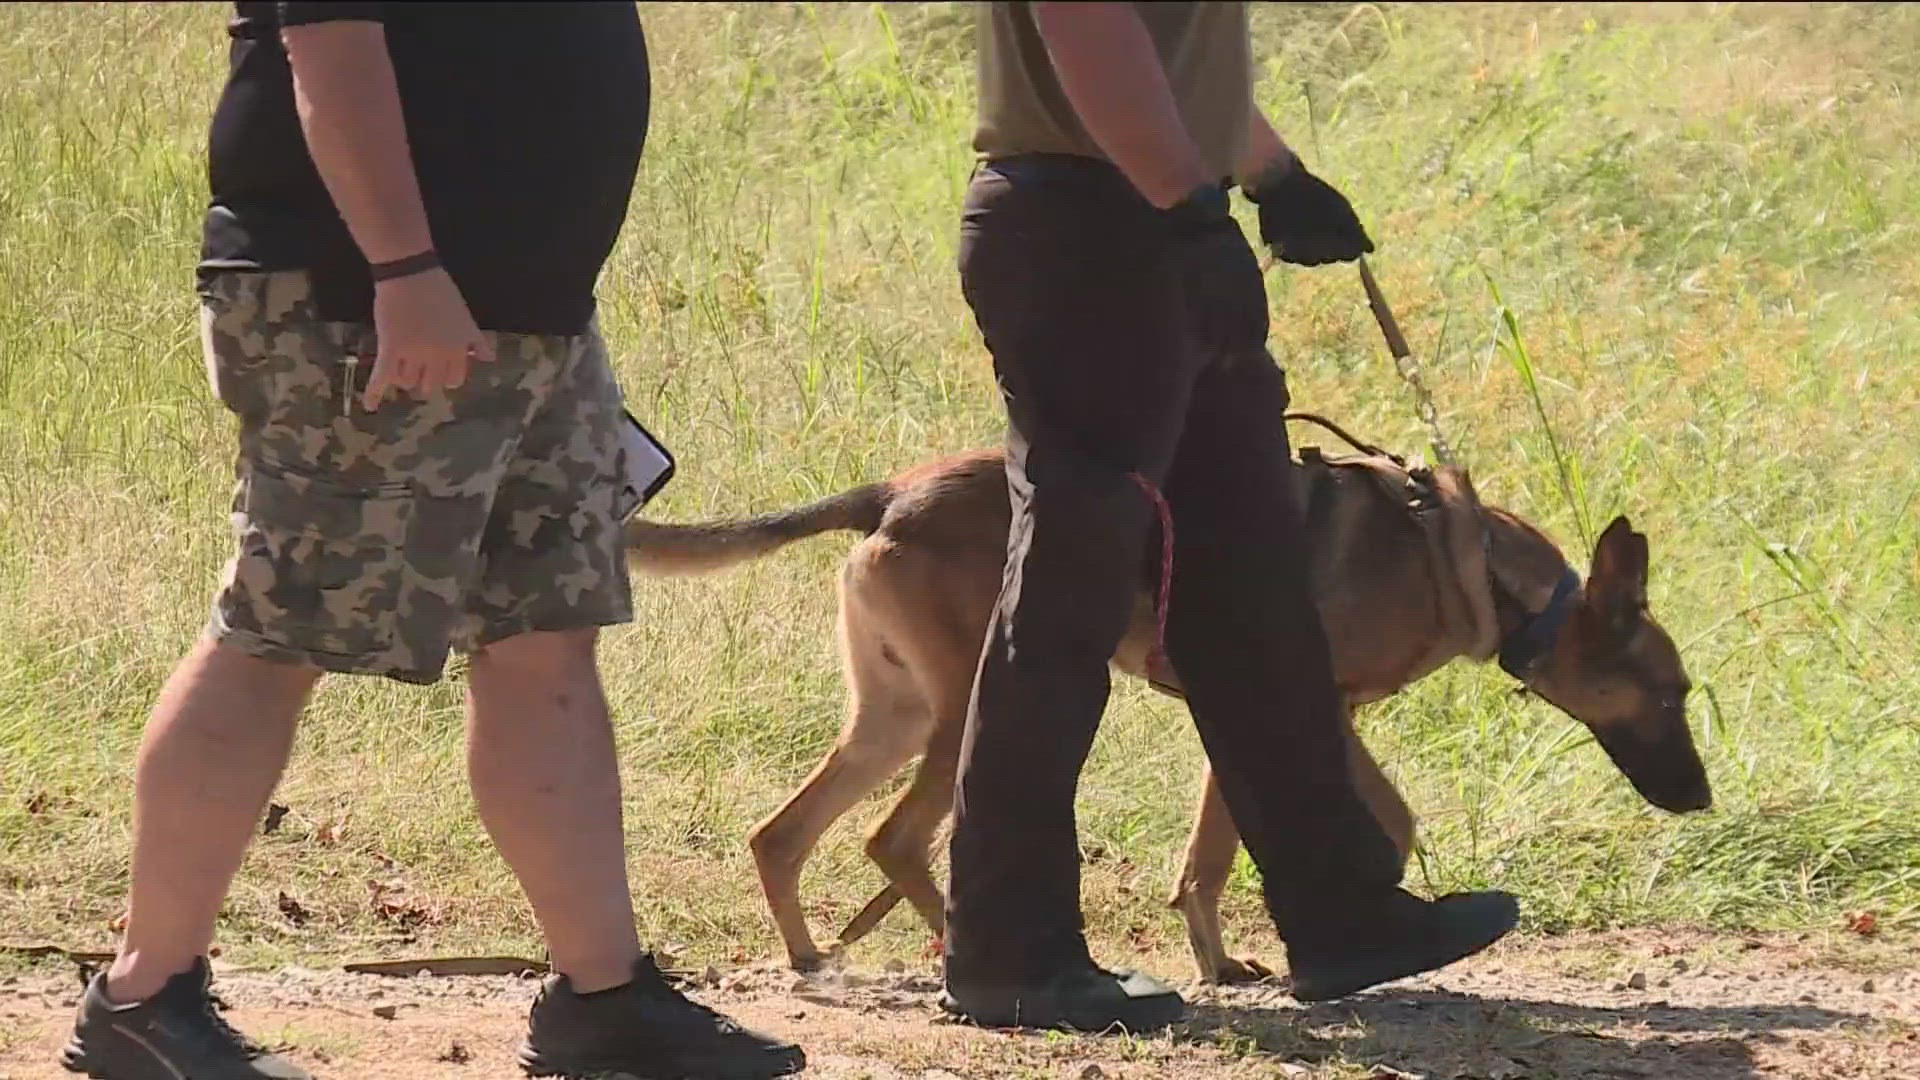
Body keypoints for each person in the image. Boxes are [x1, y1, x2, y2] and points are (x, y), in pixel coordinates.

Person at [61, 4, 804, 1079]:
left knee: (547, 635)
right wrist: (404, 268)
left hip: (529, 314)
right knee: (281, 632)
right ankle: (142, 998)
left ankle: (602, 997)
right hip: (363, 301)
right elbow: (329, 39)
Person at [939, 1, 1522, 1031]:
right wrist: (1186, 208)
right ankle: (1008, 950)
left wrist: (1270, 171)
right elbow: (1087, 23)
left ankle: (1342, 912)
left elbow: (1176, 49)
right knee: (1070, 602)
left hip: (1158, 218)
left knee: (1252, 586)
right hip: (1089, 232)